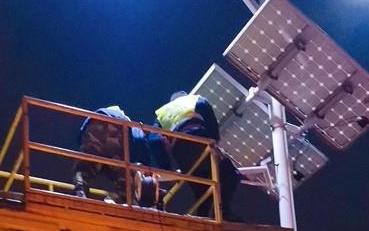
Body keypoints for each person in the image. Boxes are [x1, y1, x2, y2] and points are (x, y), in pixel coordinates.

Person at [149, 91, 242, 220]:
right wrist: (213, 143)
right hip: (199, 141)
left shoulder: (162, 114)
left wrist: (166, 166)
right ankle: (223, 211)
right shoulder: (195, 100)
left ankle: (203, 220)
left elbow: (154, 140)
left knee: (202, 192)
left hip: (181, 154)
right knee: (230, 172)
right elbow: (213, 131)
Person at [72, 105, 151, 204]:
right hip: (118, 130)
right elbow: (140, 142)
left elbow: (81, 136)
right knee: (124, 176)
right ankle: (120, 201)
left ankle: (80, 195)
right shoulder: (133, 127)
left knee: (83, 170)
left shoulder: (100, 115)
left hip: (93, 124)